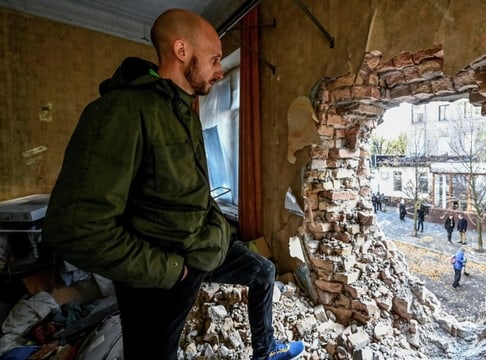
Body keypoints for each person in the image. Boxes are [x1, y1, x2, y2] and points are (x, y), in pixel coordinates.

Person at [42, 9, 303, 360]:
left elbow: (193, 190)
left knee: (263, 271)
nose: (220, 69)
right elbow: (74, 228)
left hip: (200, 250)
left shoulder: (184, 113)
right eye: (213, 59)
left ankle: (265, 350)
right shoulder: (120, 111)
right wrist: (167, 270)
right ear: (182, 51)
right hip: (156, 277)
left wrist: (218, 232)